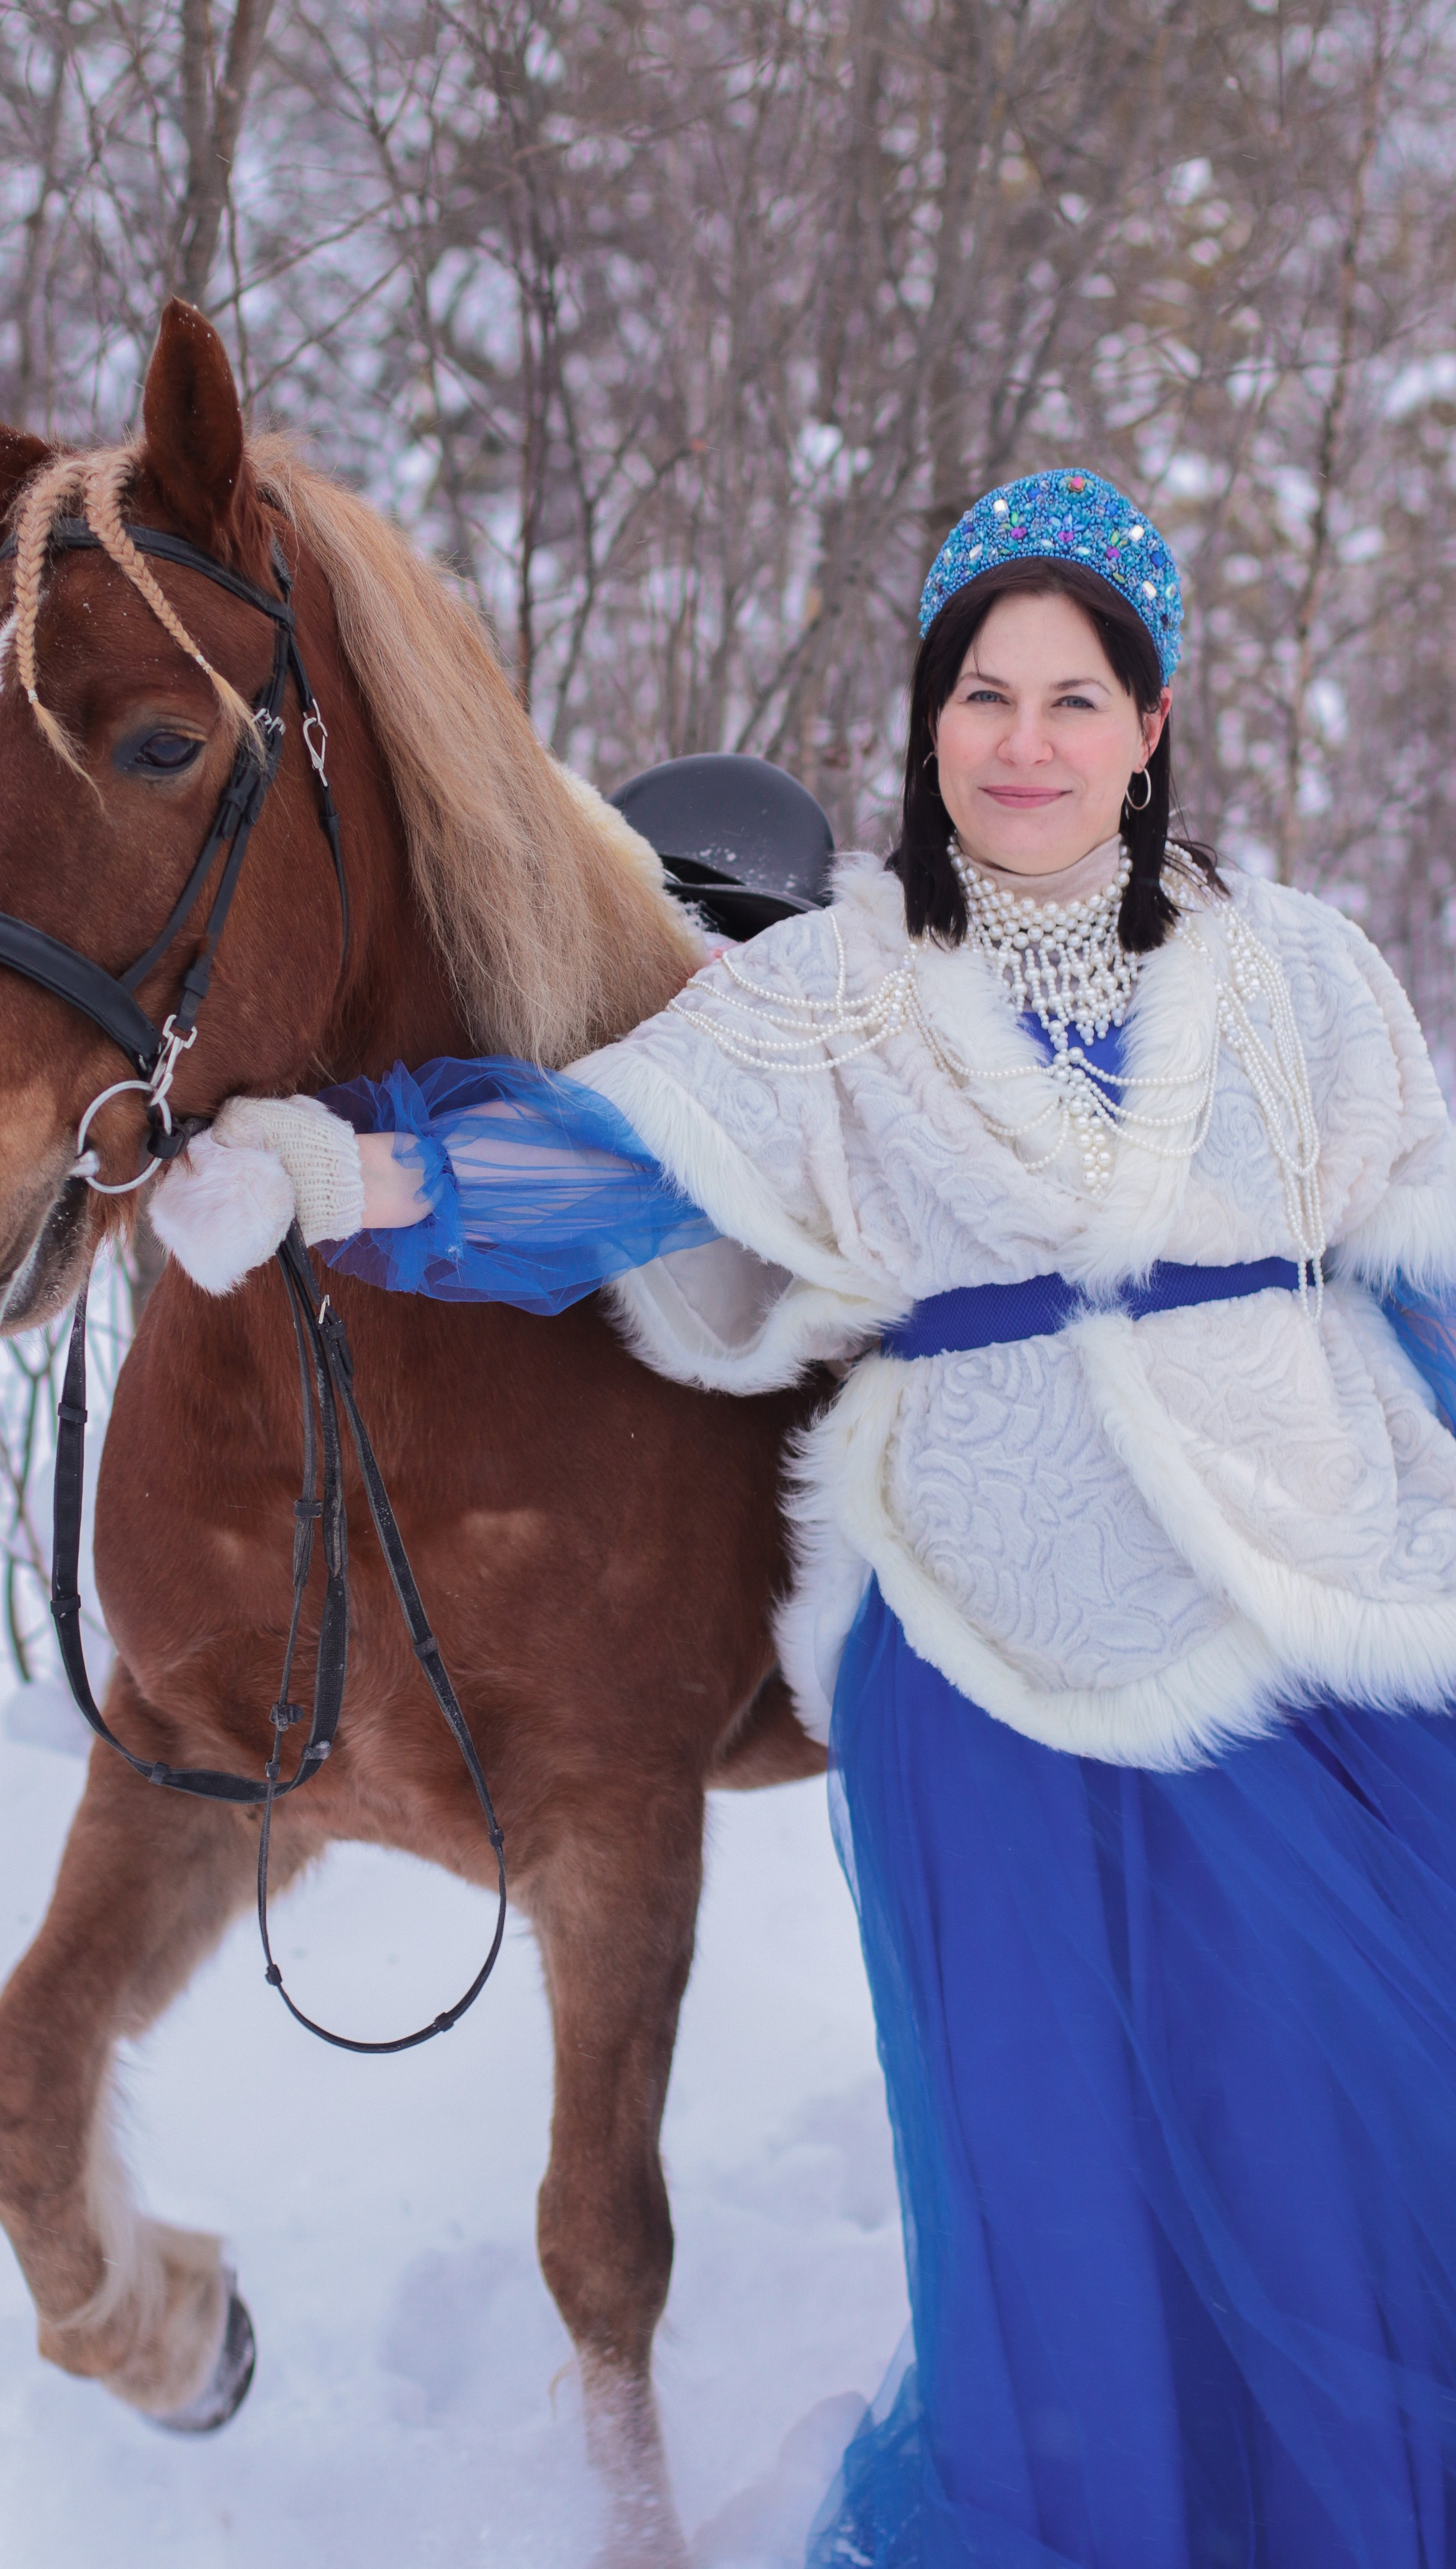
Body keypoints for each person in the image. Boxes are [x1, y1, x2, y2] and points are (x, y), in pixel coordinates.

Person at [152, 470, 1456, 2568]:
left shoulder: (1304, 975)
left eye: (1073, 695)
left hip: (1317, 1639)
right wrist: (346, 1178)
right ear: (929, 719)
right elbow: (617, 1161)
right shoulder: (840, 992)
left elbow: (1421, 1275)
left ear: (1151, 719)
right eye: (979, 694)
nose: (1022, 742)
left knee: (1343, 2170)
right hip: (1003, 1696)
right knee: (1070, 2224)